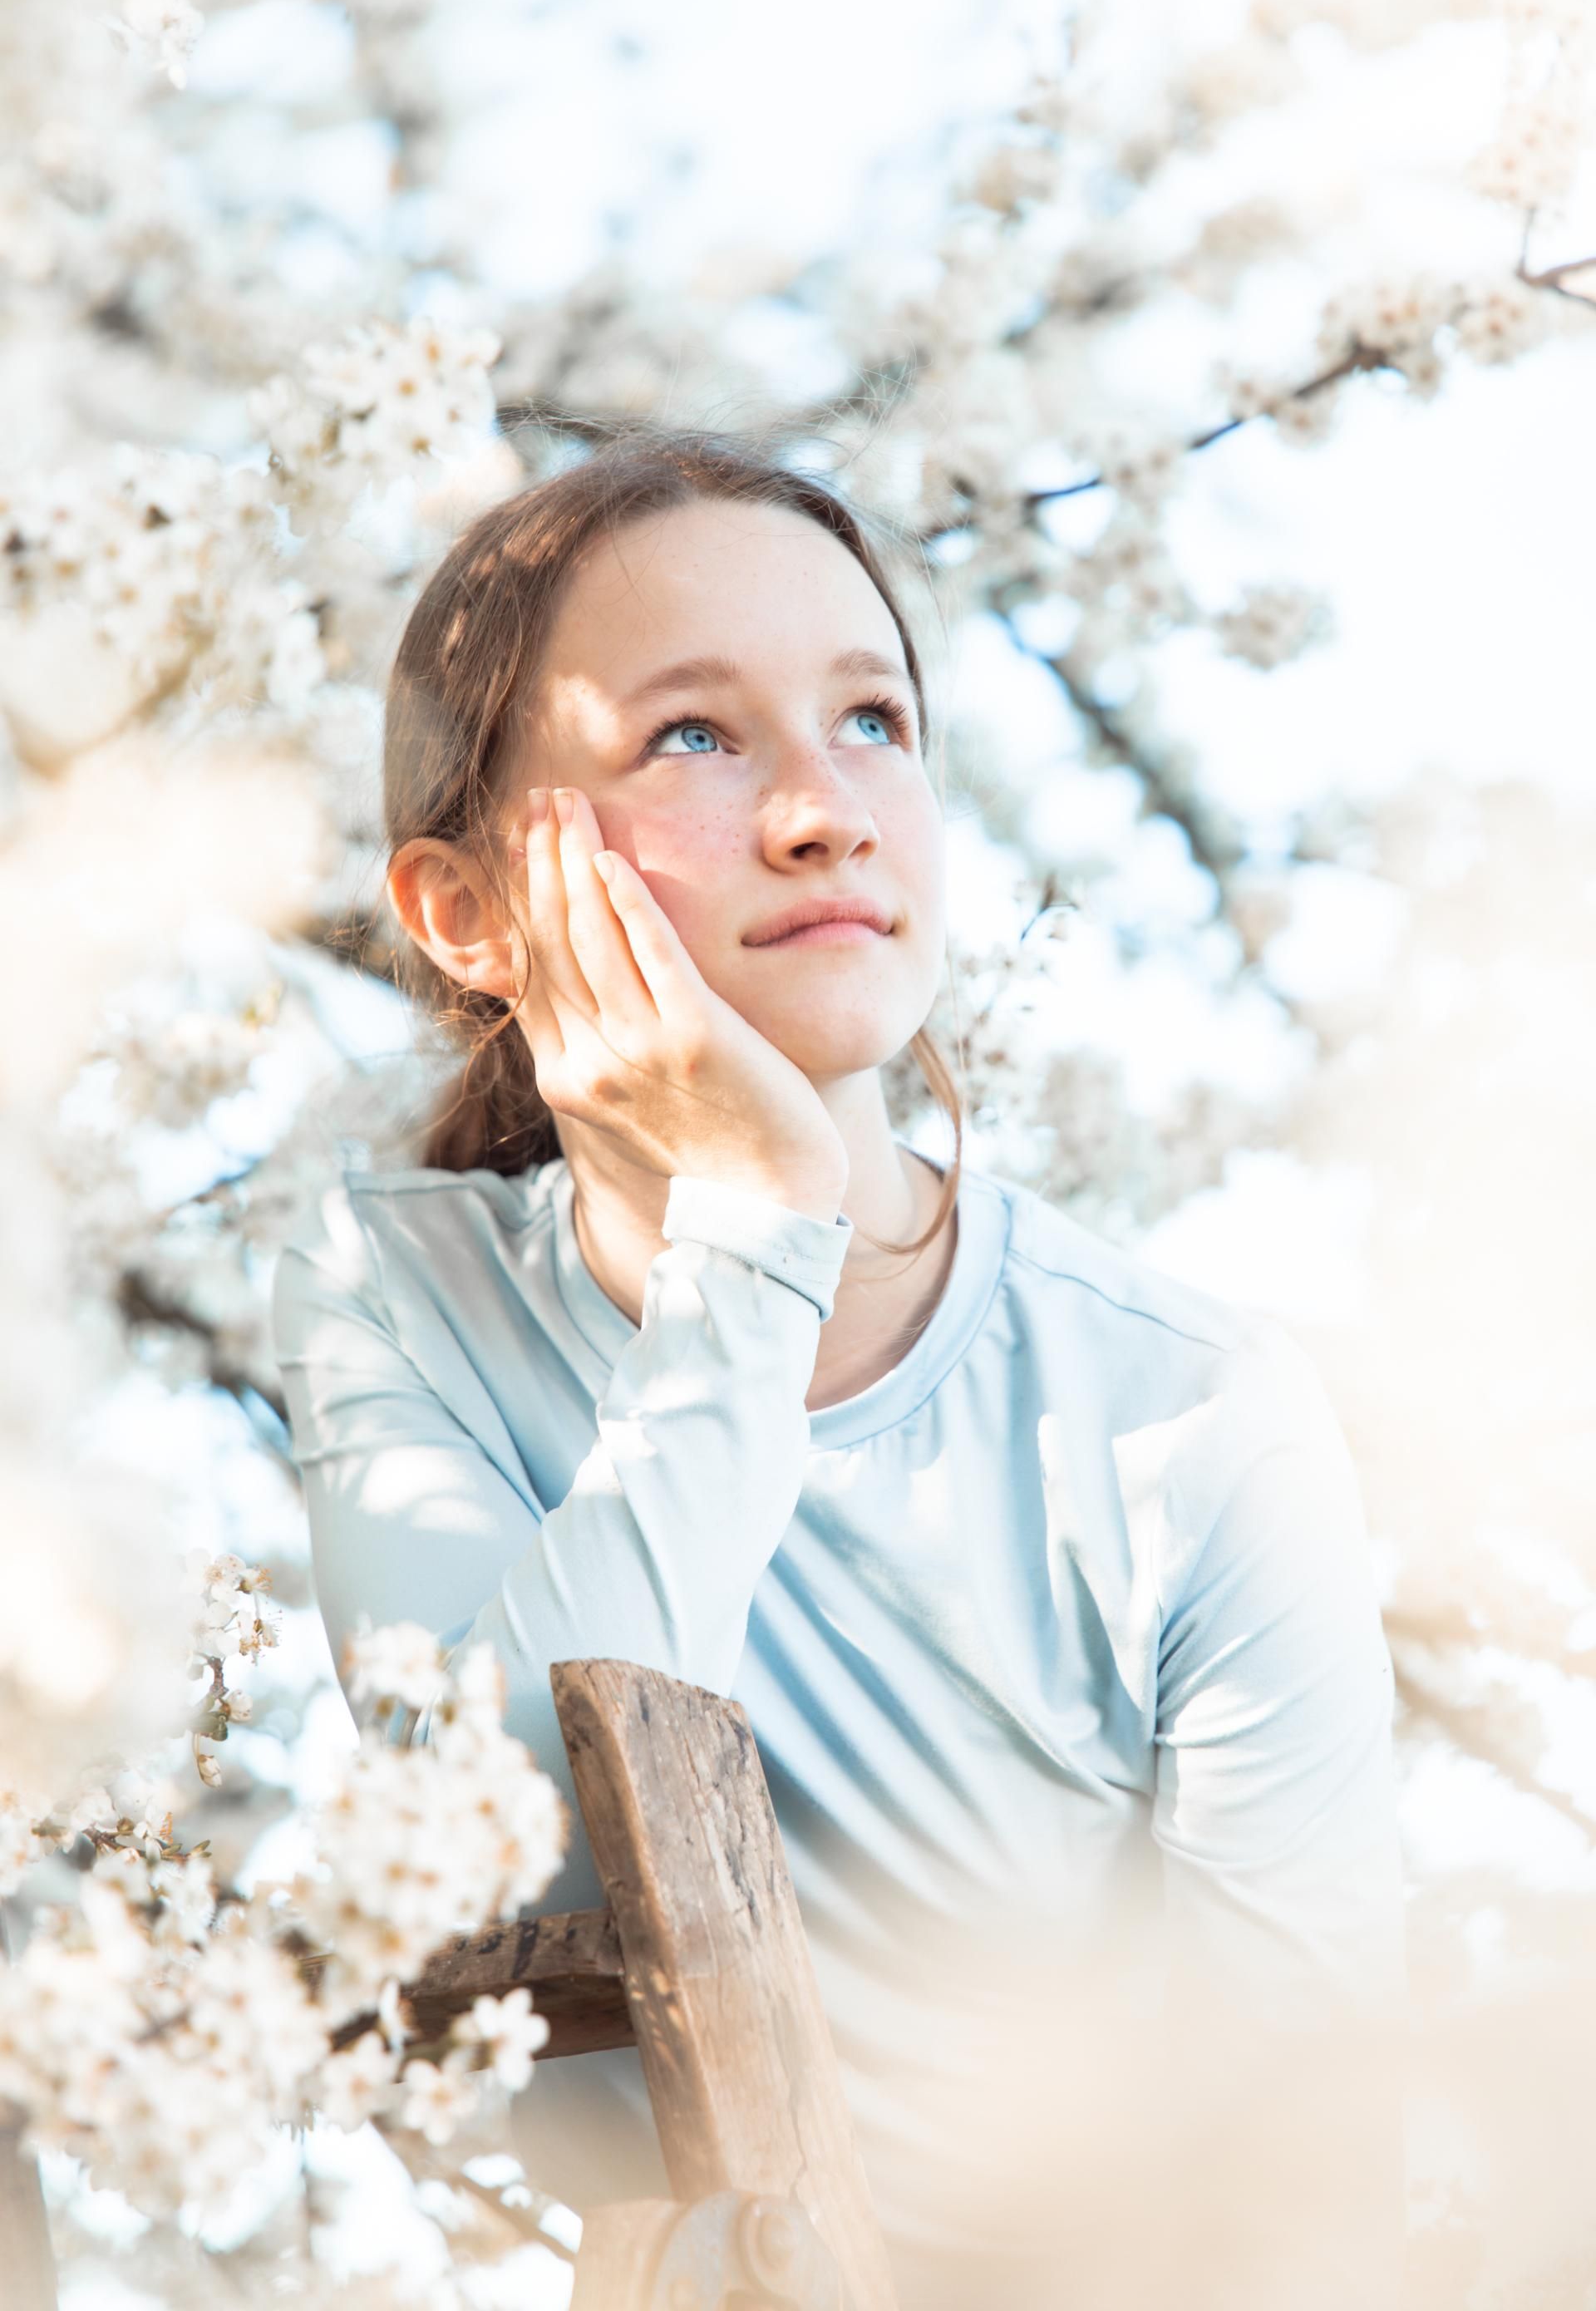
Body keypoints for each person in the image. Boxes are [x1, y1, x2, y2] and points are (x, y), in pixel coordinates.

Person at [272, 423, 1407, 2309]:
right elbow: (501, 1840)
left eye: (874, 719)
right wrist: (757, 1228)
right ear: (470, 911)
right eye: (692, 738)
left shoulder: (1188, 1414)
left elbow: (1298, 2168)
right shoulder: (400, 1297)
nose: (825, 808)